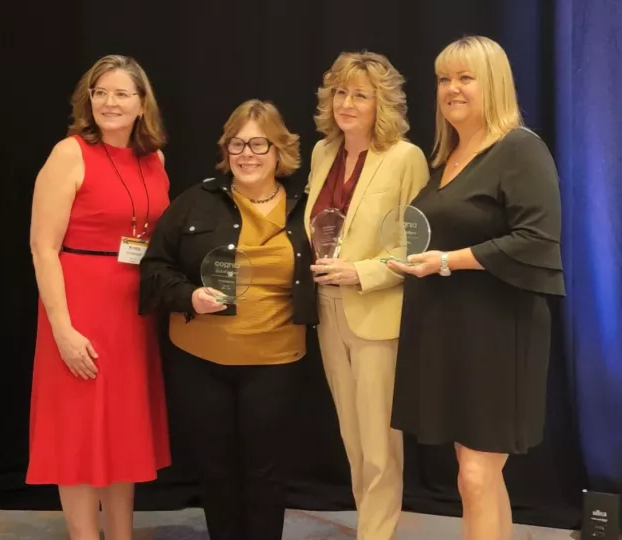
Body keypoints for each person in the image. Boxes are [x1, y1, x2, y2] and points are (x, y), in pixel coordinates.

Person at [387, 36, 565, 540]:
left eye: (466, 78)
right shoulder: (447, 156)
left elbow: (536, 239)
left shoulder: (520, 149)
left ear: (495, 84)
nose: (451, 89)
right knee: (478, 476)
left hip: (499, 330)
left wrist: (446, 261)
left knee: (475, 476)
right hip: (450, 328)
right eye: (444, 79)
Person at [139, 99, 319, 540]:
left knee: (266, 473)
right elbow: (154, 267)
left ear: (279, 150)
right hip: (200, 360)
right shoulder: (194, 203)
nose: (247, 154)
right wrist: (189, 296)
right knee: (215, 471)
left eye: (259, 143)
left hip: (276, 359)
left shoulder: (308, 209)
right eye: (237, 143)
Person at [26, 54, 172, 540]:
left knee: (122, 431)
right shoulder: (69, 153)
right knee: (79, 434)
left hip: (132, 312)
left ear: (141, 102)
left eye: (122, 93)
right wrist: (62, 330)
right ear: (88, 100)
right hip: (79, 308)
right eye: (101, 92)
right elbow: (43, 247)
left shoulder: (154, 158)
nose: (110, 102)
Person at [302, 51, 429, 540]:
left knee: (379, 445)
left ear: (383, 103)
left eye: (360, 94)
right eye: (340, 92)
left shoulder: (404, 157)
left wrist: (359, 272)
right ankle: (371, 528)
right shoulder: (322, 152)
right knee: (352, 440)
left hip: (377, 313)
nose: (346, 103)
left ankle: (375, 534)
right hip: (328, 313)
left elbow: (415, 248)